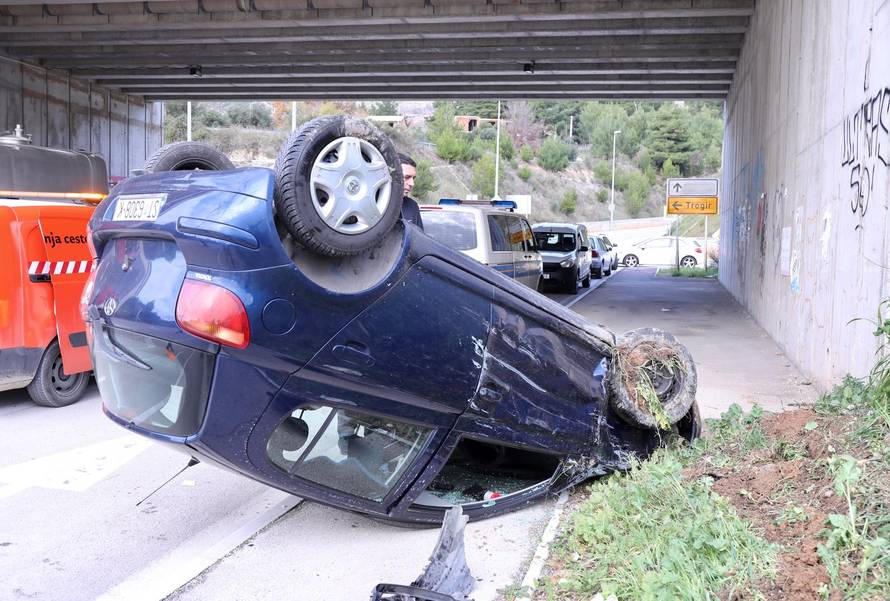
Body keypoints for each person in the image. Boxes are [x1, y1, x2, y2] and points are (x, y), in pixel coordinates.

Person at [398, 153, 424, 230]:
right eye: (406, 177)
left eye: (413, 178)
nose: (412, 183)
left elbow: (418, 239)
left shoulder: (412, 206)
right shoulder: (374, 204)